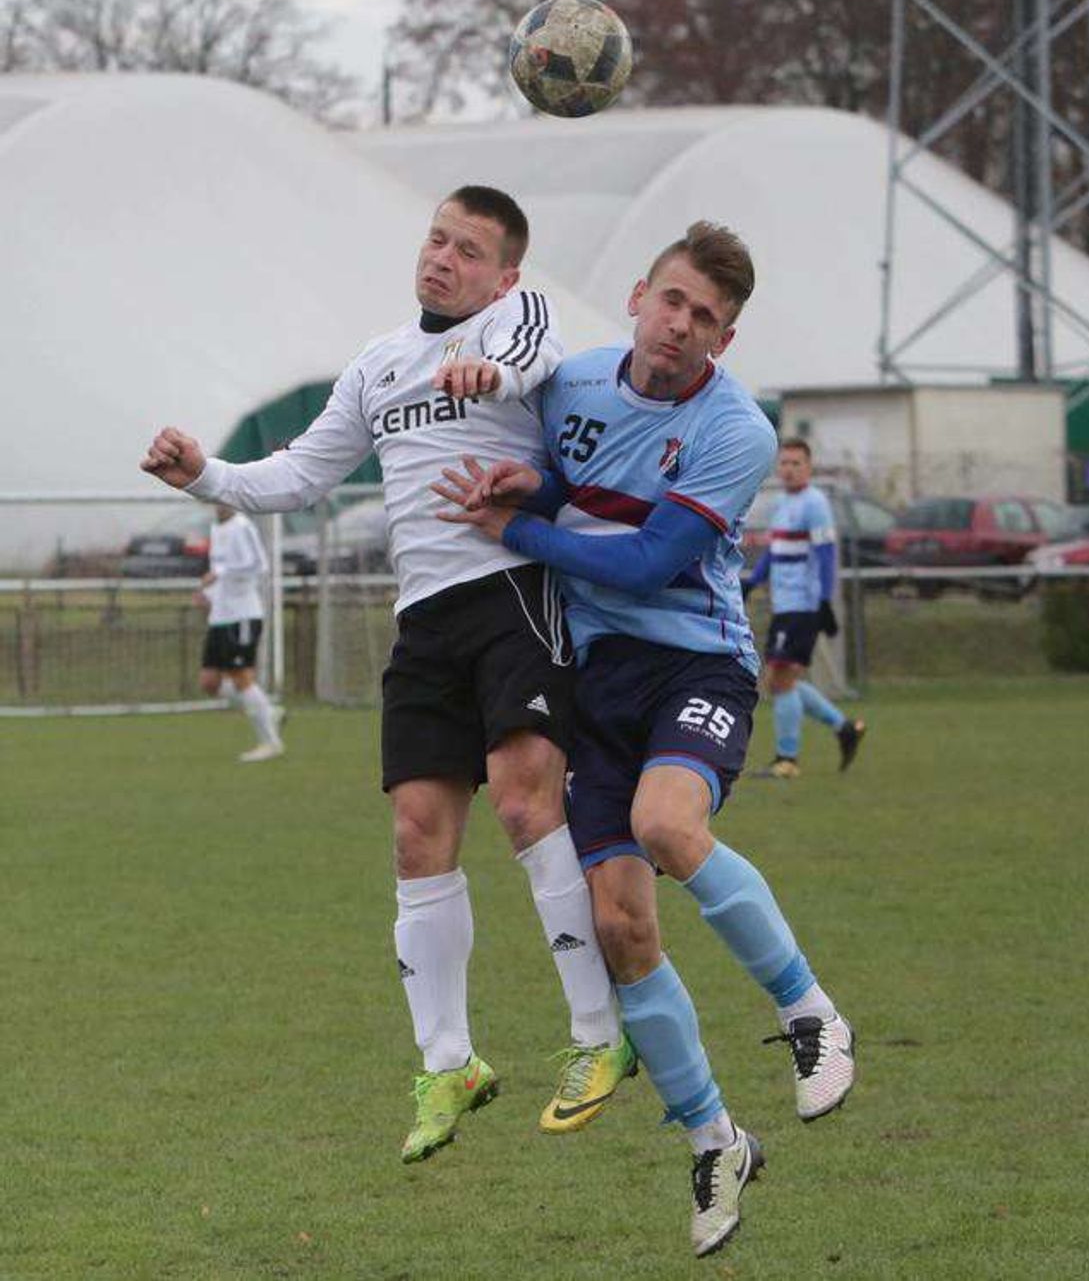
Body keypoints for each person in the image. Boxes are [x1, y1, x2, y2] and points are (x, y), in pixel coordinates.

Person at [140, 185, 633, 1165]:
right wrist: (204, 471)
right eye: (438, 239)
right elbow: (299, 475)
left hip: (511, 594)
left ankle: (596, 1035)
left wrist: (485, 374)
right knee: (417, 834)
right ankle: (447, 1061)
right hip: (423, 623)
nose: (443, 258)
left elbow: (535, 358)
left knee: (528, 806)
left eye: (468, 249)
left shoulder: (514, 320)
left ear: (504, 271)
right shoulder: (377, 363)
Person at [433, 222, 856, 1258]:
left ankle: (810, 1011)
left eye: (704, 317)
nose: (680, 326)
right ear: (638, 294)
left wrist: (517, 533)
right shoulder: (572, 386)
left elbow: (651, 561)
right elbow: (564, 479)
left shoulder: (737, 429)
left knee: (667, 824)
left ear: (726, 336)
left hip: (696, 666)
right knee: (621, 927)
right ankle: (715, 1137)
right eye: (671, 300)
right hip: (597, 683)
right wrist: (521, 487)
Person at [741, 439, 866, 778]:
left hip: (803, 604)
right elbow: (774, 550)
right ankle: (844, 728)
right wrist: (753, 581)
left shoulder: (815, 503)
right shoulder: (781, 504)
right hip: (785, 603)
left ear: (808, 468)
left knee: (778, 679)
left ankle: (787, 760)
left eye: (797, 463)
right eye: (784, 463)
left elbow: (826, 555)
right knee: (785, 680)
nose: (789, 469)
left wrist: (824, 600)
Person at [195, 502, 284, 762]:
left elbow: (259, 565)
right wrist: (208, 593)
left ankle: (270, 743)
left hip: (242, 614)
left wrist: (218, 574)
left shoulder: (242, 527)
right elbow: (220, 572)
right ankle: (266, 709)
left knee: (240, 675)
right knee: (209, 682)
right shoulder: (216, 527)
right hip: (220, 616)